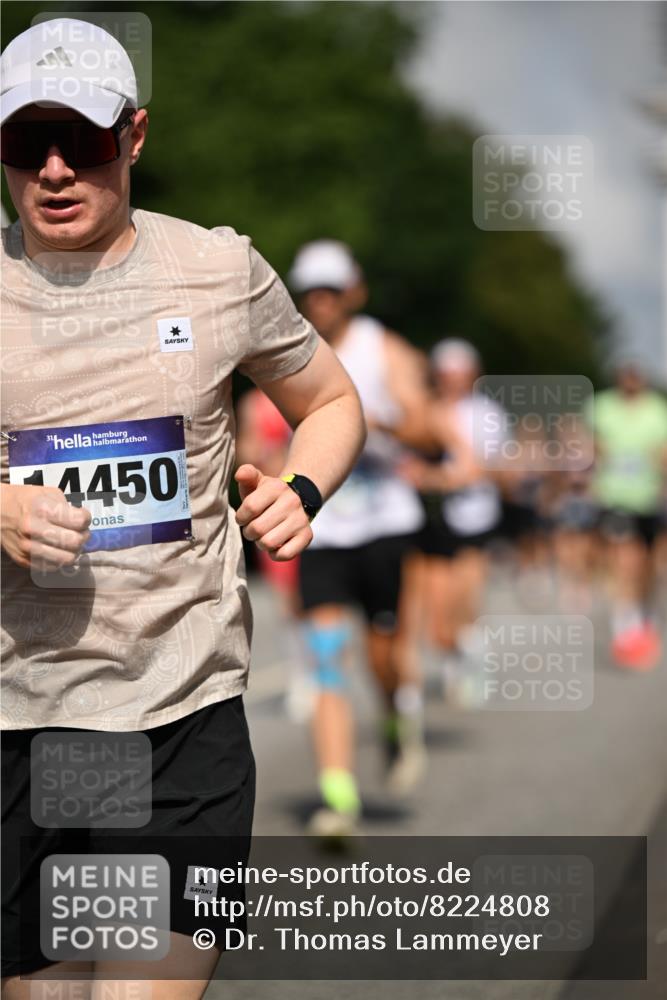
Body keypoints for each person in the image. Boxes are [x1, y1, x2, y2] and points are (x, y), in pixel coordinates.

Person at [0, 18, 364, 999]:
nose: (53, 170)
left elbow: (328, 402)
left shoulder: (217, 269)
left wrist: (300, 491)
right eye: (22, 142)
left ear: (136, 135)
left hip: (177, 714)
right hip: (18, 724)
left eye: (81, 139)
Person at [287, 239, 433, 834]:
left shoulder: (385, 348)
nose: (320, 302)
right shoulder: (290, 349)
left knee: (383, 657)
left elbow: (428, 431)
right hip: (321, 530)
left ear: (355, 292)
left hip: (383, 527)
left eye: (330, 290)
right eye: (310, 291)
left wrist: (371, 415)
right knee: (326, 660)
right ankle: (338, 796)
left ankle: (396, 720)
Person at [401, 339, 507, 708]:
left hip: (474, 521)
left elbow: (479, 469)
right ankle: (459, 656)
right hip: (432, 523)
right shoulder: (424, 410)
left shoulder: (487, 414)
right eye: (445, 374)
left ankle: (472, 661)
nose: (452, 381)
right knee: (437, 620)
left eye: (459, 374)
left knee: (465, 603)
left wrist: (433, 477)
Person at [586, 361, 667, 669]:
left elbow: (663, 452)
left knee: (647, 564)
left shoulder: (657, 410)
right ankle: (627, 622)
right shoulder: (601, 407)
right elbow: (592, 446)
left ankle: (644, 610)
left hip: (647, 498)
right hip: (613, 495)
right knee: (624, 557)